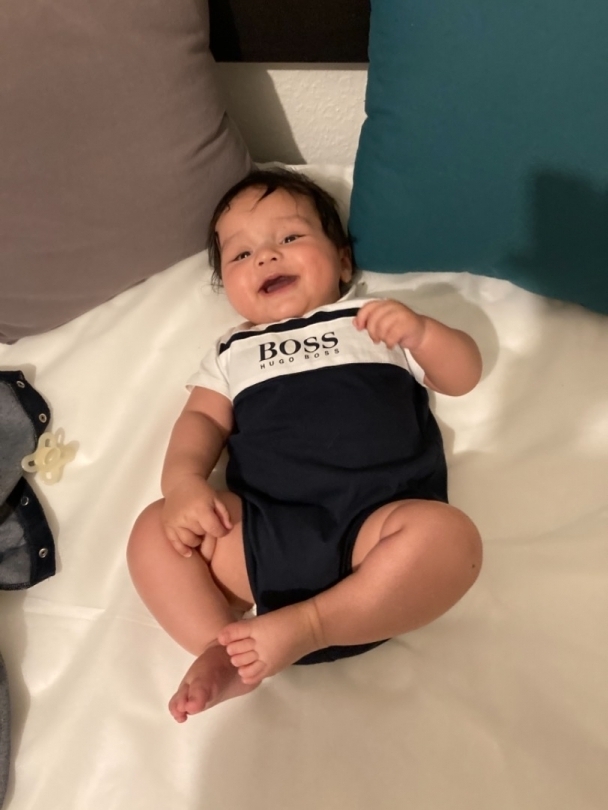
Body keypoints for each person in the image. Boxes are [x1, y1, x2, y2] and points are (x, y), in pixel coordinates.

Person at [127, 168, 483, 723]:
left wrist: (422, 334)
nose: (266, 257)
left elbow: (462, 376)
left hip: (374, 535)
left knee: (451, 540)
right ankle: (222, 649)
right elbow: (200, 419)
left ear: (342, 261)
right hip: (263, 534)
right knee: (155, 532)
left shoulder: (373, 321)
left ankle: (311, 624)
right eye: (241, 254)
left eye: (290, 237)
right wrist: (183, 484)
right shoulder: (233, 351)